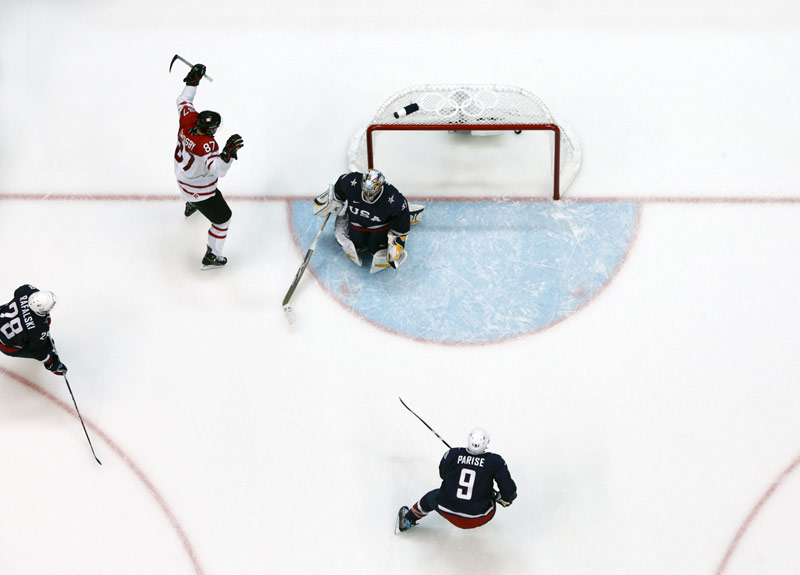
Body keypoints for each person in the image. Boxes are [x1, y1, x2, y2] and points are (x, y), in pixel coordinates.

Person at [174, 63, 244, 270]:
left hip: (181, 177)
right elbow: (218, 171)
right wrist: (228, 155)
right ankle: (213, 255)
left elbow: (183, 100)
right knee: (223, 219)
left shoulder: (188, 120)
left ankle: (191, 204)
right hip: (199, 190)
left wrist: (192, 81)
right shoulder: (207, 145)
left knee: (196, 181)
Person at [396, 428, 517, 533]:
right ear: (486, 443)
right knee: (489, 493)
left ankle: (407, 520)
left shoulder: (452, 454)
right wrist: (502, 498)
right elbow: (509, 491)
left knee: (429, 498)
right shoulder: (495, 461)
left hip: (447, 510)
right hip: (479, 517)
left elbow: (443, 474)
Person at [313, 169, 423, 273]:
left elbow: (400, 230)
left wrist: (396, 244)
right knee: (357, 245)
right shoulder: (351, 182)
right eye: (365, 190)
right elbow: (337, 192)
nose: (367, 195)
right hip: (356, 223)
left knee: (375, 250)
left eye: (371, 192)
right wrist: (332, 202)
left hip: (379, 230)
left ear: (380, 187)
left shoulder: (394, 200)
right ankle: (347, 225)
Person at [0, 285, 67, 376]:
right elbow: (37, 351)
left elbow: (17, 292)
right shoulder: (39, 328)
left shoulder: (26, 290)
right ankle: (52, 365)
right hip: (6, 345)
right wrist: (52, 362)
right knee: (47, 346)